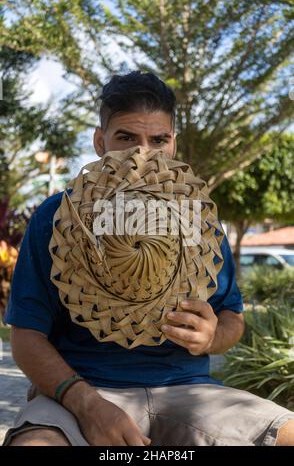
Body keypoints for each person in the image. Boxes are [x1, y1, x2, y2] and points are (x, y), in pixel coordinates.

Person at [3, 71, 294, 446]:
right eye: (126, 138)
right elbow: (26, 337)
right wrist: (89, 406)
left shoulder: (198, 221)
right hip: (82, 392)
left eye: (158, 140)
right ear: (99, 141)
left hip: (188, 392)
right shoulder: (58, 218)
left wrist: (211, 337)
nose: (143, 154)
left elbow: (231, 318)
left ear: (173, 145)